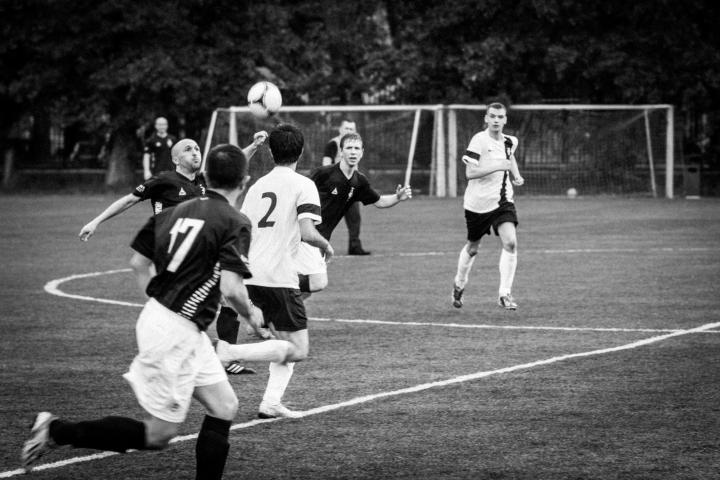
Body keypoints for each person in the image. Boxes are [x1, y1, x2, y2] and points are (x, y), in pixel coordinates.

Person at [22, 143, 265, 479]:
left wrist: (161, 302)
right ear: (245, 181)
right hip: (176, 330)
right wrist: (253, 316)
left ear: (207, 176)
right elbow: (232, 289)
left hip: (173, 322)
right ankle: (56, 430)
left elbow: (138, 262)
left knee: (225, 406)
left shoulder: (173, 212)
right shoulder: (236, 221)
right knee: (158, 434)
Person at [79, 133, 268, 376]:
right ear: (176, 159)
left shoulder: (203, 180)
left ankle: (223, 356)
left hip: (200, 253)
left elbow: (232, 163)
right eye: (188, 149)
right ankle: (200, 351)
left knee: (223, 301)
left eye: (197, 148)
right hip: (172, 254)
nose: (195, 152)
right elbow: (128, 201)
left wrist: (254, 146)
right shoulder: (164, 180)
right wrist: (95, 221)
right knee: (203, 303)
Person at [215, 123, 334, 419]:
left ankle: (270, 402)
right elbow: (308, 232)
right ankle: (230, 352)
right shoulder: (304, 184)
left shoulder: (257, 186)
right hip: (279, 276)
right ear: (301, 152)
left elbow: (242, 229)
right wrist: (327, 246)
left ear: (270, 152)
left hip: (253, 273)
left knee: (283, 341)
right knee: (298, 348)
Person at [297, 131, 413, 295]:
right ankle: (274, 294)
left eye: (357, 148)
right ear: (341, 151)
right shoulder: (324, 173)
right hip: (305, 236)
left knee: (307, 289)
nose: (353, 152)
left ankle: (276, 302)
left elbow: (379, 201)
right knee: (315, 282)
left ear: (362, 152)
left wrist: (398, 197)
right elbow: (298, 189)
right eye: (349, 148)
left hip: (321, 240)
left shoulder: (359, 182)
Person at [451, 102, 524, 310]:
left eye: (500, 117)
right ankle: (459, 283)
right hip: (477, 204)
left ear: (505, 120)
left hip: (502, 201)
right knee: (473, 248)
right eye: (492, 116)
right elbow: (470, 173)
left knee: (511, 243)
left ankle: (504, 294)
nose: (496, 120)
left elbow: (510, 158)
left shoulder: (510, 141)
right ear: (486, 118)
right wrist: (497, 166)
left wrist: (516, 175)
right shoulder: (479, 140)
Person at [322, 120, 370, 255]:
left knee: (355, 218)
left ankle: (355, 247)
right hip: (335, 189)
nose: (349, 131)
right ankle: (319, 247)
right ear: (340, 129)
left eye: (351, 129)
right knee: (326, 220)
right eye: (347, 128)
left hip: (351, 189)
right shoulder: (333, 144)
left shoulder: (356, 146)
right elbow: (326, 165)